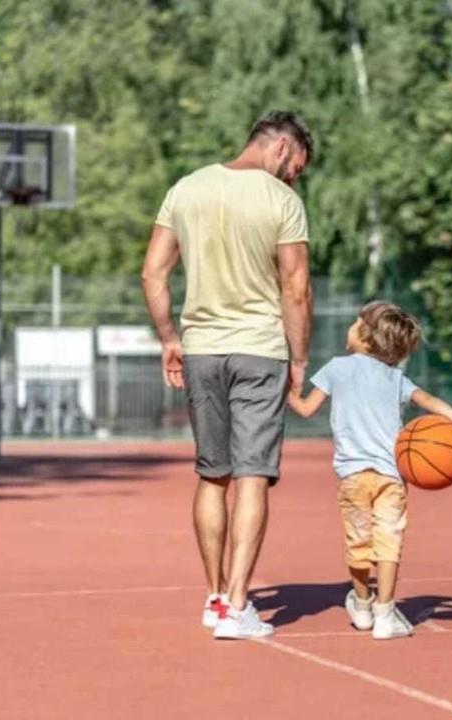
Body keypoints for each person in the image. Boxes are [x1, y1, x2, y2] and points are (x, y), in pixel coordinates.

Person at [141, 111, 313, 640]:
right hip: (260, 350)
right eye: (296, 167)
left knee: (212, 475)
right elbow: (296, 287)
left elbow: (153, 272)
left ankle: (216, 597)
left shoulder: (186, 189)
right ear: (281, 147)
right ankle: (239, 605)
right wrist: (300, 359)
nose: (293, 178)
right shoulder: (281, 201)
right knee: (252, 475)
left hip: (201, 350)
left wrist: (171, 338)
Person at [288, 301, 452, 640]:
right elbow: (428, 400)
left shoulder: (337, 368)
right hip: (391, 476)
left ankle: (361, 605)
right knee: (389, 543)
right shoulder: (395, 377)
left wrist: (284, 382)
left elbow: (303, 408)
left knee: (358, 542)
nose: (349, 328)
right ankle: (385, 613)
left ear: (365, 336)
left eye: (354, 323)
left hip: (353, 476)